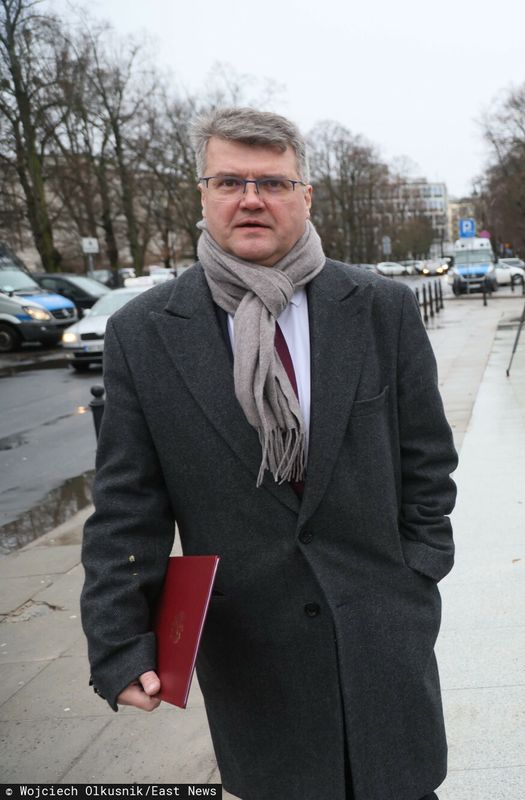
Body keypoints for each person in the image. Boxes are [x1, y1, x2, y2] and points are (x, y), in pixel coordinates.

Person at [79, 108, 456, 800]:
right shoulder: (145, 333)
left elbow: (426, 456)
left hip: (381, 631)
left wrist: (418, 570)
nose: (251, 198)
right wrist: (119, 641)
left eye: (273, 183)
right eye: (230, 180)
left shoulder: (379, 308)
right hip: (250, 649)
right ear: (203, 194)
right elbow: (126, 504)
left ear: (305, 197)